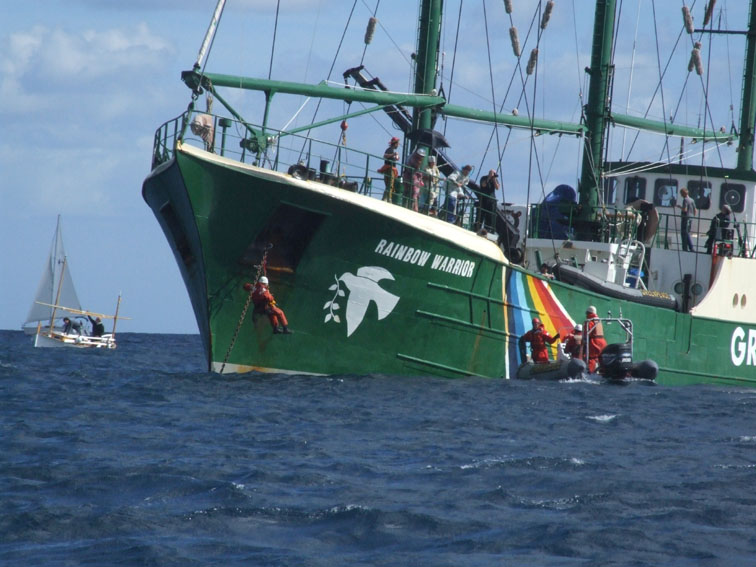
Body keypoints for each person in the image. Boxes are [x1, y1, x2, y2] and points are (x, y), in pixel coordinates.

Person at [583, 306, 607, 372]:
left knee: (592, 358)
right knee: (601, 358)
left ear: (588, 313)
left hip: (594, 342)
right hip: (603, 342)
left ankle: (590, 373)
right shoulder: (598, 320)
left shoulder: (589, 322)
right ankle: (604, 371)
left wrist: (584, 342)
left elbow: (587, 334)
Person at [379, 137, 400, 202]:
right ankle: (388, 198)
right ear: (395, 144)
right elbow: (385, 156)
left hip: (390, 169)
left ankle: (386, 197)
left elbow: (395, 158)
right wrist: (393, 154)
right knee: (390, 183)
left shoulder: (392, 150)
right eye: (398, 143)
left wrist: (396, 157)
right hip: (390, 169)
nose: (398, 145)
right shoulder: (390, 150)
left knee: (389, 184)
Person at [677, 187, 697, 252]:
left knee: (684, 233)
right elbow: (695, 210)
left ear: (683, 194)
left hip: (685, 218)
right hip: (690, 218)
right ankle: (690, 248)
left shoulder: (685, 200)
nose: (681, 195)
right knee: (687, 232)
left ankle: (687, 248)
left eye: (681, 194)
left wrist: (679, 206)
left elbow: (684, 210)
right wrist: (692, 216)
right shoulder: (692, 200)